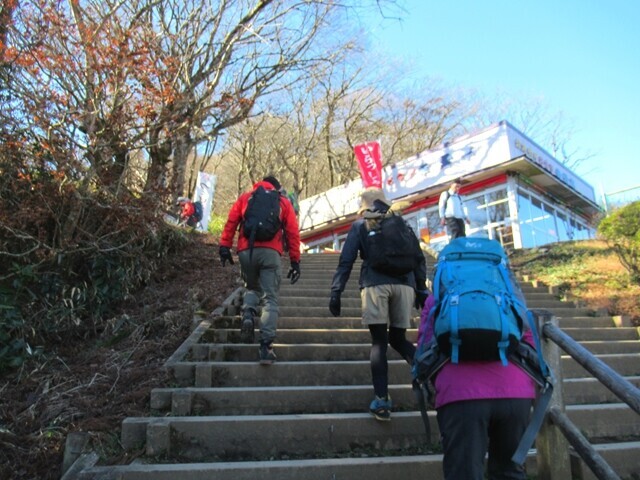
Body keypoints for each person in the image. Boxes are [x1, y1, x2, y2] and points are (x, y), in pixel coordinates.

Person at [328, 187, 428, 421]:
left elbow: (347, 260)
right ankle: (429, 375)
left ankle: (382, 401)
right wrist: (421, 289)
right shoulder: (403, 224)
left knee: (379, 342)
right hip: (405, 286)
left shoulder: (360, 225)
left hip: (375, 285)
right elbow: (419, 258)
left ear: (365, 206)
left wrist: (336, 291)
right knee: (398, 338)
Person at [419, 295, 537, 480]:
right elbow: (529, 340)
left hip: (460, 393)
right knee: (510, 472)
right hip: (515, 392)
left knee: (464, 473)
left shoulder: (439, 295)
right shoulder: (507, 292)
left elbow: (424, 348)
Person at [219, 176, 301, 365]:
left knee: (252, 288)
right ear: (277, 188)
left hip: (247, 251)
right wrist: (295, 260)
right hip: (271, 252)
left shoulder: (246, 198)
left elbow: (231, 222)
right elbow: (292, 233)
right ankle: (265, 348)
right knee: (270, 298)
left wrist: (224, 246)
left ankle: (248, 313)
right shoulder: (283, 202)